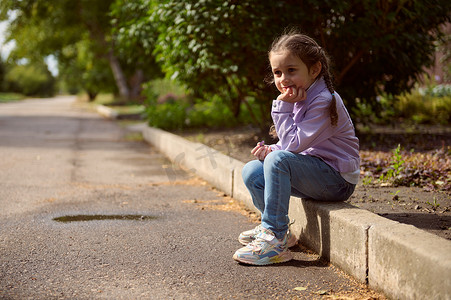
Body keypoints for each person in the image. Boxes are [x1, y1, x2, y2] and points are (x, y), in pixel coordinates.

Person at [233, 31, 360, 265]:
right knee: (251, 171)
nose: (283, 79)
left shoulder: (323, 100)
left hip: (337, 180)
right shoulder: (300, 95)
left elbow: (293, 145)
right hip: (316, 171)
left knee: (278, 160)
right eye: (277, 72)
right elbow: (293, 144)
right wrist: (271, 149)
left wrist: (281, 108)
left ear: (314, 69)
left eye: (291, 70)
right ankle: (276, 229)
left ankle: (275, 240)